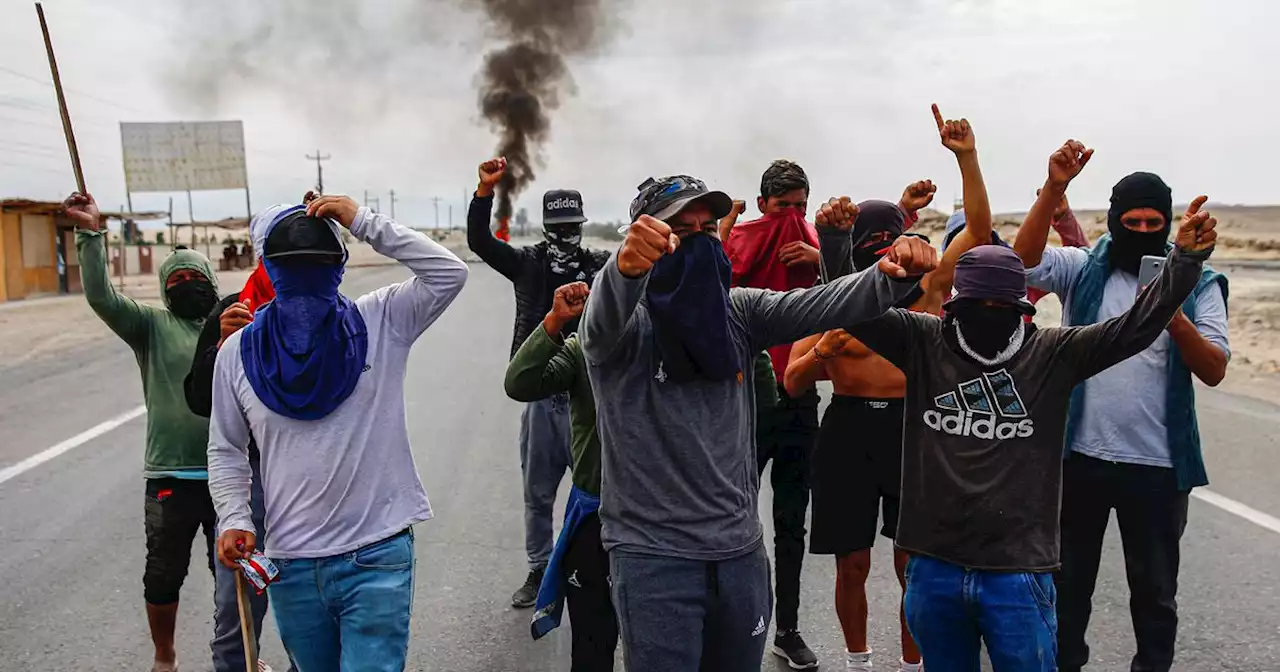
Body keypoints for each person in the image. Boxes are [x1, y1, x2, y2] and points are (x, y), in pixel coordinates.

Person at [835, 176, 1219, 671]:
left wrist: (1184, 263)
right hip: (933, 566)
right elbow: (850, 306)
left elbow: (1136, 327)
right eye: (978, 308)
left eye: (1006, 309)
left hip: (1018, 572)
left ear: (1025, 308)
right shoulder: (924, 342)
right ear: (952, 307)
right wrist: (835, 243)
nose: (991, 316)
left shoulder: (1053, 352)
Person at [580, 174, 939, 671]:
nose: (699, 240)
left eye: (709, 229)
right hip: (652, 556)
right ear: (646, 237)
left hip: (739, 552)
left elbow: (829, 303)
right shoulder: (624, 329)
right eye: (679, 230)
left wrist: (890, 275)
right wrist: (621, 270)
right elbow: (598, 321)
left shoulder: (739, 313)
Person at [208, 195, 469, 671]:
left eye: (320, 264)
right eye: (291, 269)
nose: (305, 283)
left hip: (376, 554)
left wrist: (362, 220)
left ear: (340, 267)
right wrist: (234, 518)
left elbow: (449, 272)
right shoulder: (238, 353)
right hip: (291, 565)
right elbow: (225, 447)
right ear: (269, 270)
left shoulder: (382, 319)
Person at [784, 105, 991, 672]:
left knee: (912, 565)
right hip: (849, 430)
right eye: (873, 252)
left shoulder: (927, 293)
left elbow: (976, 229)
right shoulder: (842, 299)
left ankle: (911, 665)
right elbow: (793, 378)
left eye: (892, 248)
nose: (886, 262)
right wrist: (823, 352)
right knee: (850, 564)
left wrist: (967, 159)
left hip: (911, 430)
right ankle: (857, 663)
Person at [1013, 144, 1230, 672]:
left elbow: (1215, 368)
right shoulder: (1084, 269)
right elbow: (1021, 262)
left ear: (1168, 223)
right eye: (1130, 220)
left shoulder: (1199, 283)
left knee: (1155, 597)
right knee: (1068, 589)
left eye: (1153, 222)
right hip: (1078, 460)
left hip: (1157, 469)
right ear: (1114, 219)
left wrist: (1169, 307)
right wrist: (1054, 187)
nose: (1141, 229)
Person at [505, 283, 779, 672]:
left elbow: (765, 399)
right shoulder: (590, 345)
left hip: (661, 528)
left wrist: (747, 343)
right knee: (594, 642)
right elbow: (521, 382)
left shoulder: (698, 341)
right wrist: (555, 321)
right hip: (603, 517)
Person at [65, 191, 222, 672]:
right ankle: (165, 657)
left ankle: (239, 654)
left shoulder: (233, 321)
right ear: (163, 289)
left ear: (213, 282)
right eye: (177, 280)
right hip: (171, 477)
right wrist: (90, 233)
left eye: (197, 277)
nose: (188, 284)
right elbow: (100, 296)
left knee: (237, 576)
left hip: (230, 476)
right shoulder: (150, 326)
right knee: (162, 575)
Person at [466, 157, 612, 608]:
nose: (567, 233)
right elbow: (479, 242)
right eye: (560, 225)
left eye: (574, 225)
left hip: (591, 399)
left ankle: (603, 567)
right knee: (537, 493)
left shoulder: (601, 266)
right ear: (547, 226)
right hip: (544, 399)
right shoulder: (527, 264)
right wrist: (484, 193)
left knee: (602, 491)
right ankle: (538, 569)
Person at [185, 201, 316, 672]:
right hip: (254, 473)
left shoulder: (323, 307)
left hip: (310, 473)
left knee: (313, 593)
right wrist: (222, 345)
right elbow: (200, 399)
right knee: (236, 599)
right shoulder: (232, 310)